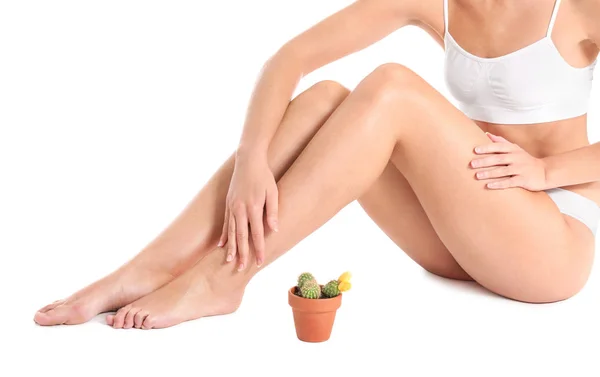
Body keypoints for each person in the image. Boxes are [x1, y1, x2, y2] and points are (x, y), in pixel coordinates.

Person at [34, 0, 600, 329]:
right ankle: (148, 267)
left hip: (553, 243)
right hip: (467, 236)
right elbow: (290, 58)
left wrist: (547, 173)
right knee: (328, 94)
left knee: (392, 89)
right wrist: (252, 162)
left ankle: (224, 278)